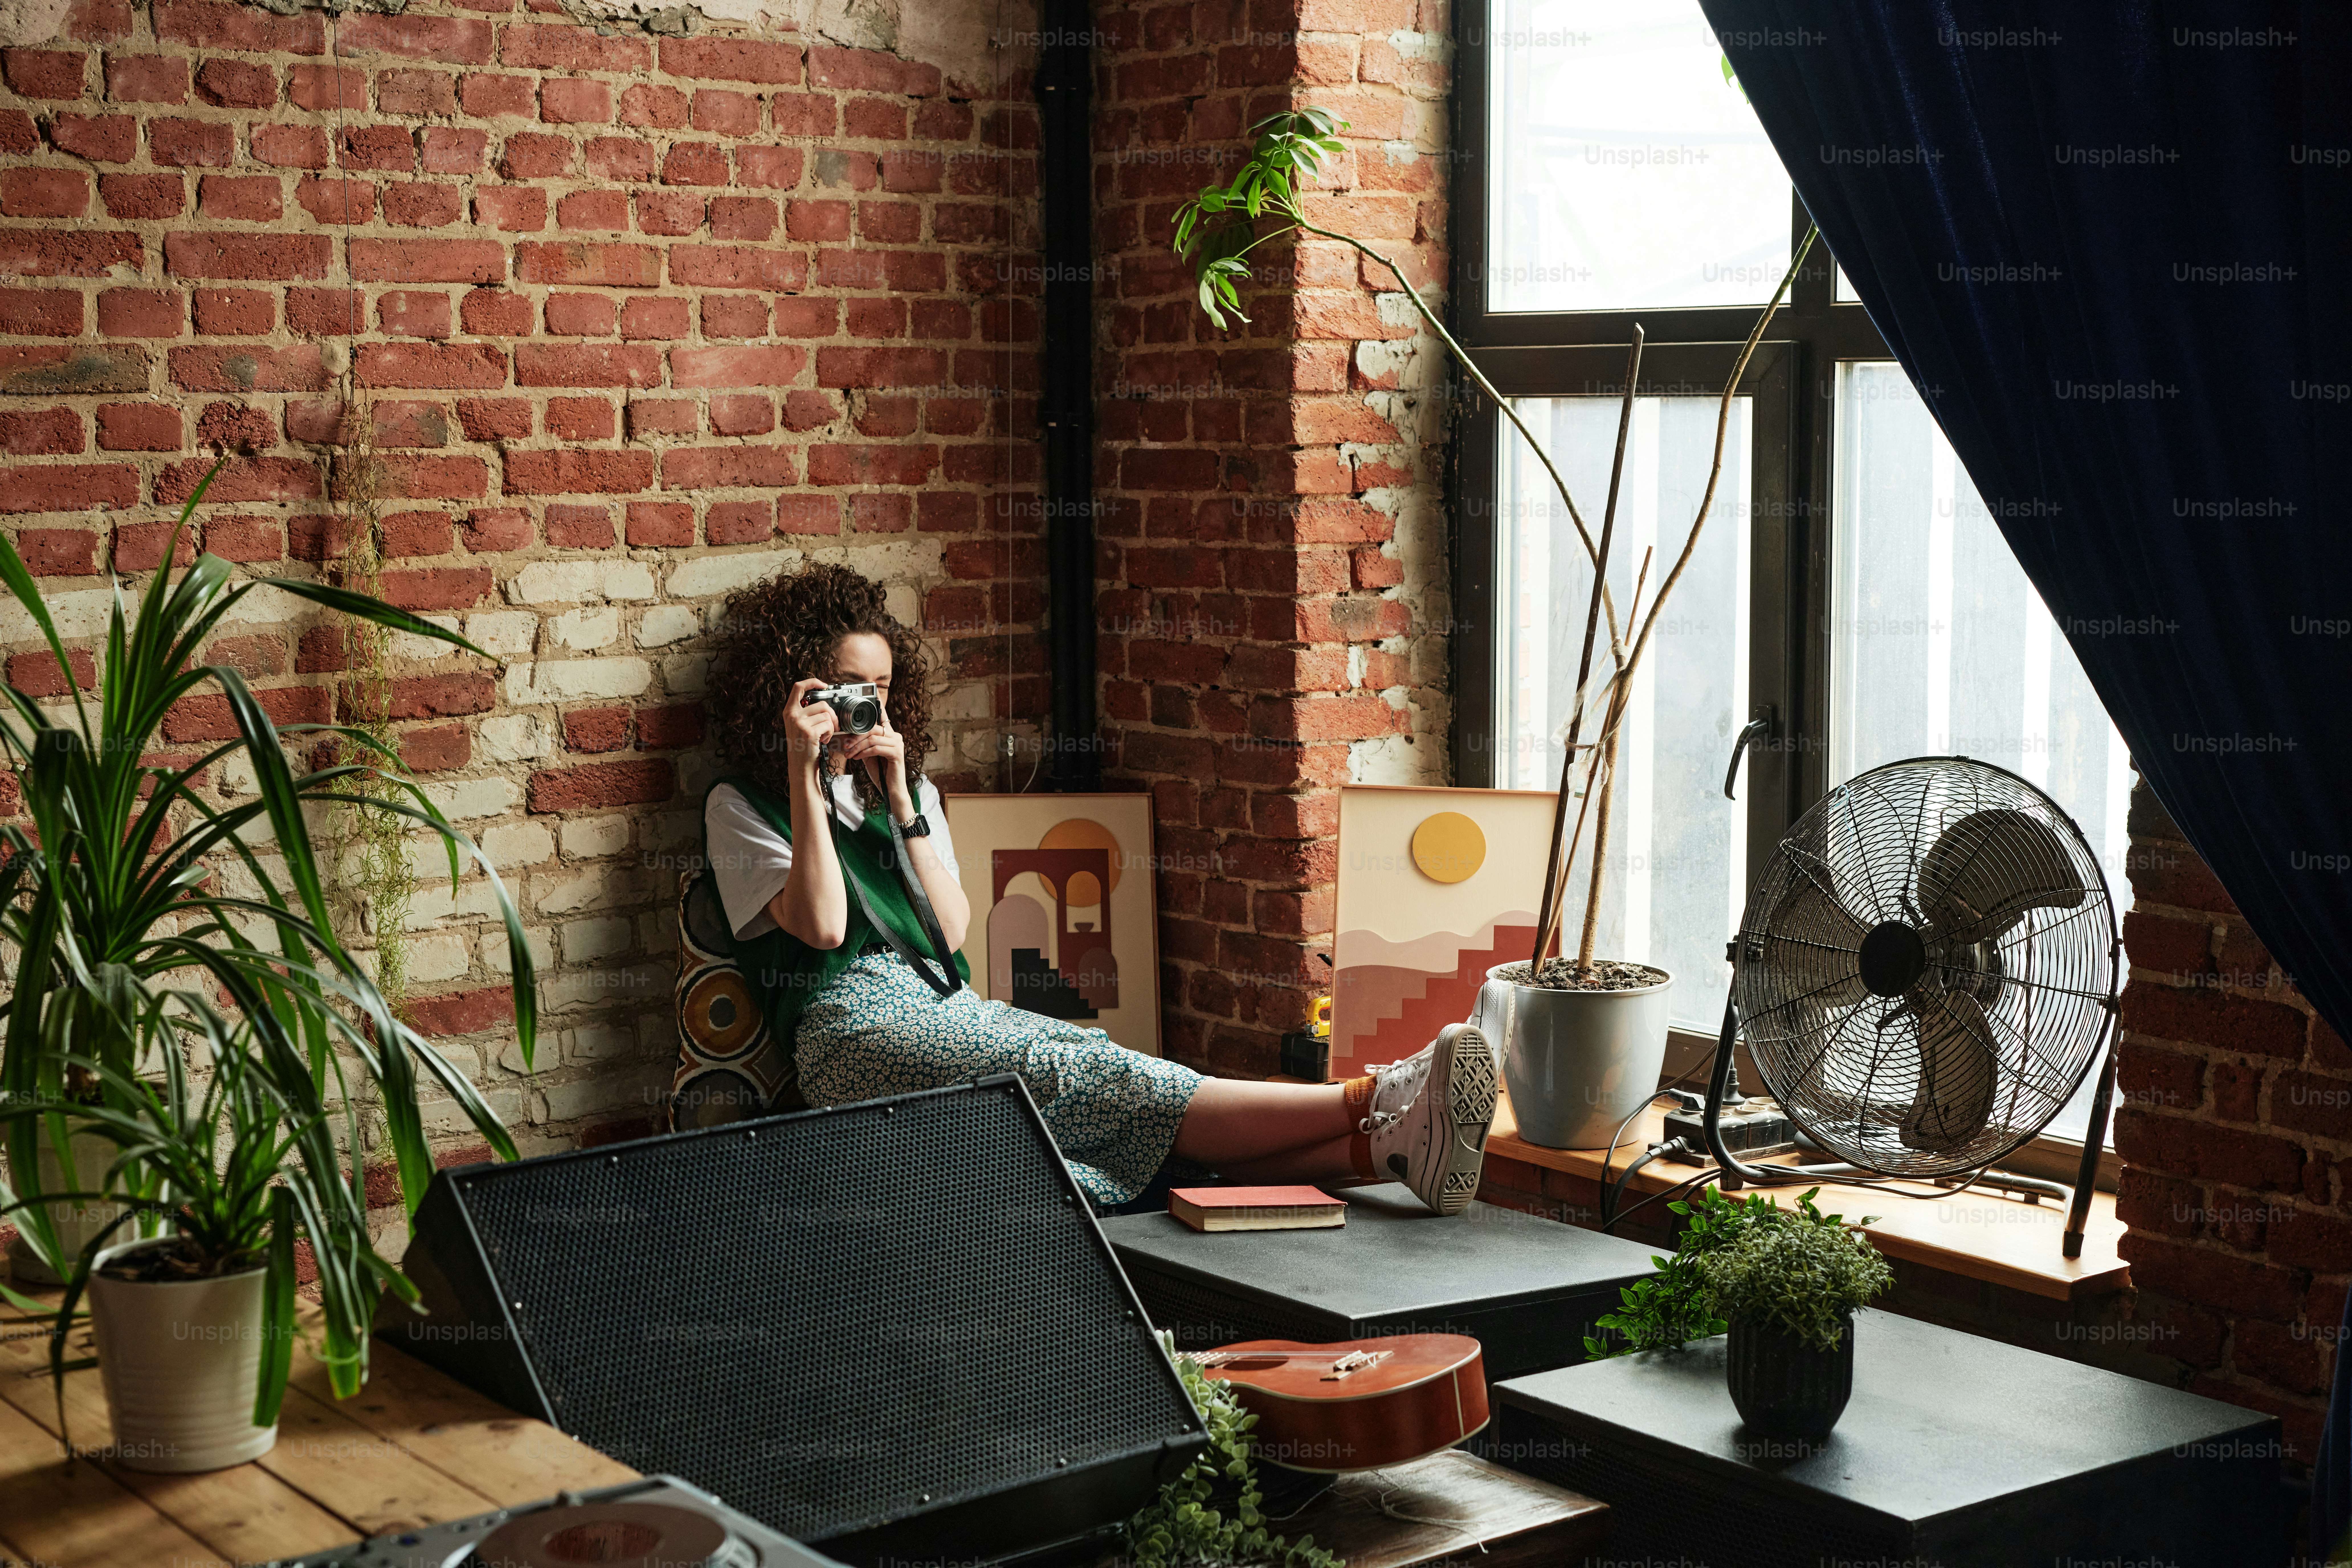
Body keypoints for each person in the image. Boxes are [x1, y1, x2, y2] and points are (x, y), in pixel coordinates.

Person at [701, 561, 1496, 1215]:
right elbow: (826, 929)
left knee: (1086, 1068)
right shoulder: (742, 806)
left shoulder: (908, 798)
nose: (863, 706)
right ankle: (1372, 1096)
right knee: (1079, 1069)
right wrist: (805, 778)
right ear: (795, 689)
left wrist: (903, 798)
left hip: (939, 1010)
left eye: (878, 688)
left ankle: (1388, 1150)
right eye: (844, 685)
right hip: (846, 1038)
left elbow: (947, 938)